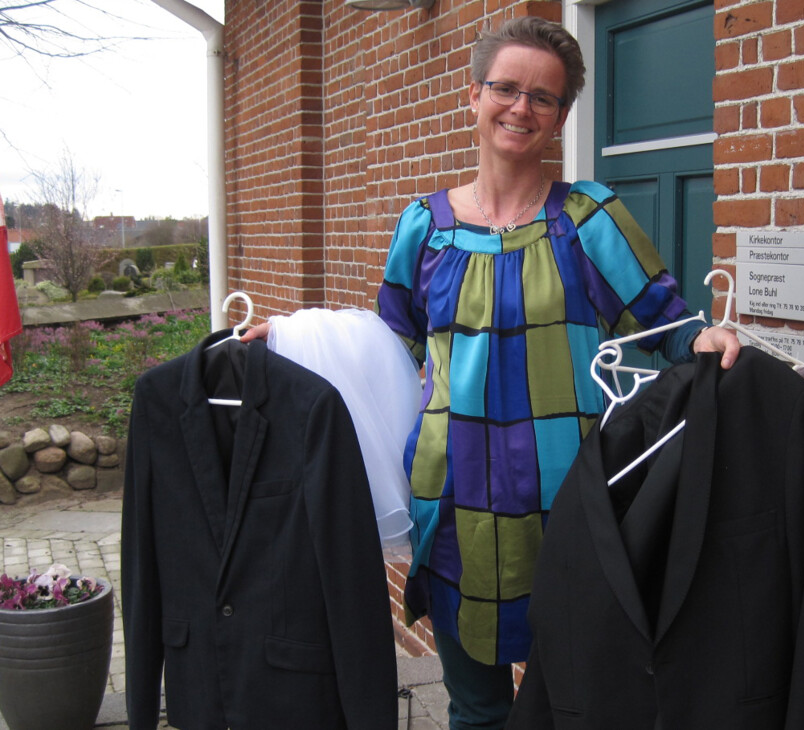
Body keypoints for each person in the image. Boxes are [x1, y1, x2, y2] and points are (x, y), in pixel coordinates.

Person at [245, 16, 740, 729]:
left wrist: (705, 337)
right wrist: (295, 339)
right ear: (473, 95)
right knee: (477, 710)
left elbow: (665, 321)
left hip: (569, 499)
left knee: (576, 700)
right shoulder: (424, 226)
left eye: (543, 97)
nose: (521, 108)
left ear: (561, 117)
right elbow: (389, 345)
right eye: (506, 88)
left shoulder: (590, 219)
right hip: (453, 500)